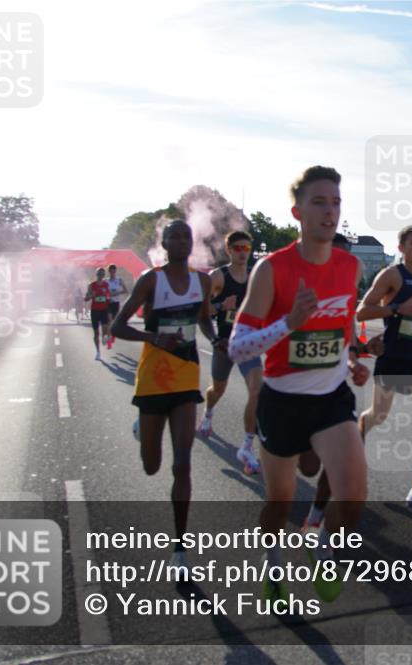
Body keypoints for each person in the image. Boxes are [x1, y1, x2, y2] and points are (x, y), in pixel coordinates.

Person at [229, 165, 369, 605]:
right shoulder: (273, 270)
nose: (330, 212)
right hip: (283, 402)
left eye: (336, 202)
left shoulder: (350, 266)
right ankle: (272, 566)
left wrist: (353, 358)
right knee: (279, 500)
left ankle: (323, 549)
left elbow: (343, 324)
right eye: (319, 202)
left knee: (353, 494)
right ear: (298, 212)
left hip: (331, 400)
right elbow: (237, 347)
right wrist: (289, 324)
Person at [110, 220, 218, 570]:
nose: (182, 241)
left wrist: (214, 338)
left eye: (186, 235)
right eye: (174, 236)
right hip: (154, 379)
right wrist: (153, 338)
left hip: (187, 379)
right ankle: (143, 428)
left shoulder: (201, 281)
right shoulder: (150, 280)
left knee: (182, 463)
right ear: (165, 243)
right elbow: (118, 325)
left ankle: (180, 550)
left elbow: (203, 319)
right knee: (151, 464)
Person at [354, 224, 412, 514]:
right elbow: (361, 311)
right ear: (401, 247)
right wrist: (396, 310)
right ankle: (356, 440)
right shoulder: (392, 275)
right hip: (393, 357)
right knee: (378, 416)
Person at [298, 232, 383, 525]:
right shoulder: (298, 286)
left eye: (347, 257)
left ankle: (316, 517)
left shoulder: (345, 293)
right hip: (296, 390)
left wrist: (360, 355)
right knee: (308, 466)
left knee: (341, 460)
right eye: (336, 255)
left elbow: (348, 341)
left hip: (333, 391)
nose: (342, 262)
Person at [198, 230, 263, 475]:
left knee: (257, 390)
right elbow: (202, 314)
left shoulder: (257, 276)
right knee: (218, 389)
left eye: (246, 248)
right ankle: (208, 414)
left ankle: (247, 446)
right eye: (237, 248)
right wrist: (219, 307)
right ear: (228, 250)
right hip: (225, 344)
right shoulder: (218, 277)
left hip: (248, 343)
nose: (242, 253)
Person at [84, 268, 111, 360]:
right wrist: (92, 295)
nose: (101, 276)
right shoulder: (92, 285)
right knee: (96, 333)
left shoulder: (106, 285)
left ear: (104, 275)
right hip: (95, 311)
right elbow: (86, 298)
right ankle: (98, 352)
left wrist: (107, 297)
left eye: (102, 274)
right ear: (96, 275)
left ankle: (105, 337)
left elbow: (108, 296)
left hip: (104, 310)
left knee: (105, 330)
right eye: (99, 274)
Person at [105, 264, 128, 349]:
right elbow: (104, 292)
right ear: (109, 272)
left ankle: (113, 336)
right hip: (109, 303)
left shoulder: (119, 280)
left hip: (116, 303)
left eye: (113, 271)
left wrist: (116, 293)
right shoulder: (106, 281)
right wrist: (108, 295)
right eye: (110, 271)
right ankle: (109, 342)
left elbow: (125, 291)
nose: (112, 273)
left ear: (115, 271)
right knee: (108, 322)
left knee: (114, 322)